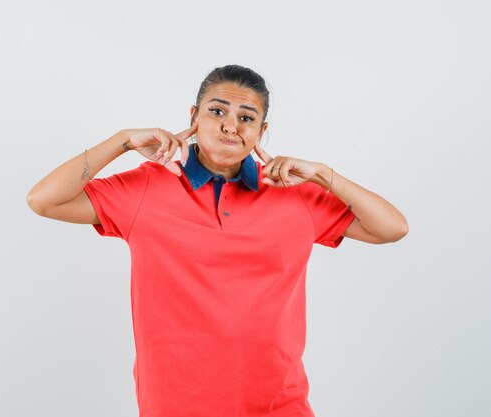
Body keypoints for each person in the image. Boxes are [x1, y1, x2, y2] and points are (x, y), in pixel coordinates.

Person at [26, 64, 408, 417]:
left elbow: (392, 227)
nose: (230, 126)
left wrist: (324, 175)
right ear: (193, 117)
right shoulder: (148, 187)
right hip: (176, 406)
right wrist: (122, 140)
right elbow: (44, 200)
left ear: (262, 131)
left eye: (246, 118)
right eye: (217, 111)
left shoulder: (293, 194)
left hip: (280, 405)